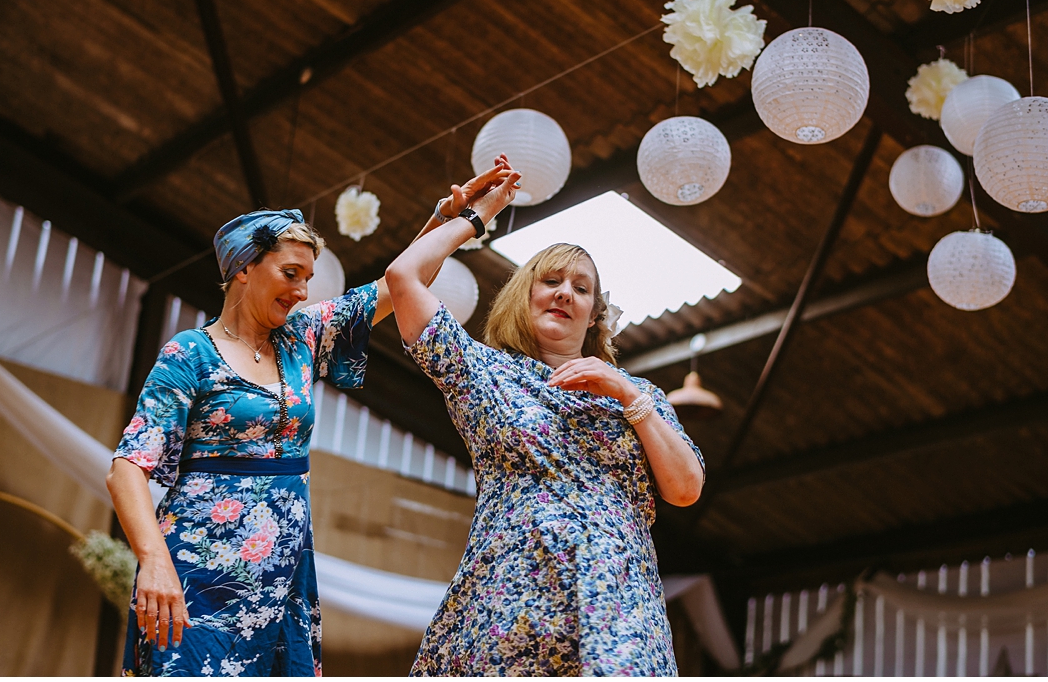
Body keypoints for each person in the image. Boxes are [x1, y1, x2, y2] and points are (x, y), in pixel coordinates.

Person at [106, 162, 512, 676]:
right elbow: (127, 470)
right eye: (289, 274)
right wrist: (154, 561)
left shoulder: (301, 338)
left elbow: (395, 286)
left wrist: (449, 219)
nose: (302, 291)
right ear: (243, 269)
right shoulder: (189, 355)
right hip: (196, 568)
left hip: (283, 569)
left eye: (308, 279)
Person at [385, 170, 706, 675]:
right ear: (524, 296)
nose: (564, 294)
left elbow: (685, 488)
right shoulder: (485, 372)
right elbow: (402, 279)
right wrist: (473, 218)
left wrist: (626, 393)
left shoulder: (639, 396)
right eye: (551, 281)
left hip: (618, 607)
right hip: (509, 596)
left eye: (580, 288)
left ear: (595, 315)